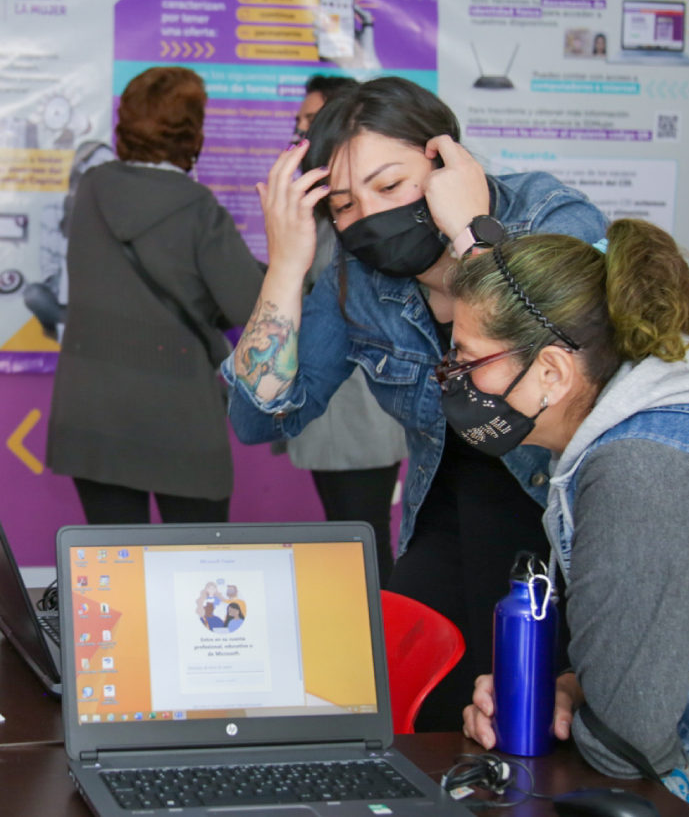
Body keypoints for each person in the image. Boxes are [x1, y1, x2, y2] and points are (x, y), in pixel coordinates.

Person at [224, 77, 607, 730]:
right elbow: (258, 417)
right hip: (448, 517)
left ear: (442, 160)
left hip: (564, 519)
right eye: (342, 202)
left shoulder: (547, 215)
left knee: (546, 729)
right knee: (405, 710)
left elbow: (550, 365)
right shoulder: (356, 279)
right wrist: (286, 267)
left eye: (389, 185)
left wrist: (467, 232)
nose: (367, 215)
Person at [451, 220, 689, 817]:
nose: (454, 377)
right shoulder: (668, 428)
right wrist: (568, 690)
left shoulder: (643, 474)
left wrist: (569, 715)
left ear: (552, 372)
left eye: (468, 358)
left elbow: (629, 739)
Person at [47, 66, 264, 524]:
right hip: (177, 414)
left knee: (115, 565)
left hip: (92, 411)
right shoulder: (199, 209)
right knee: (195, 567)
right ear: (192, 131)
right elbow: (252, 306)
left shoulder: (91, 189)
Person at [282, 73, 407, 586]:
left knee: (363, 540)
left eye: (312, 121)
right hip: (330, 407)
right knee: (347, 536)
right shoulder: (315, 209)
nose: (301, 132)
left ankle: (382, 652)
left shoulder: (357, 215)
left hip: (361, 410)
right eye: (299, 122)